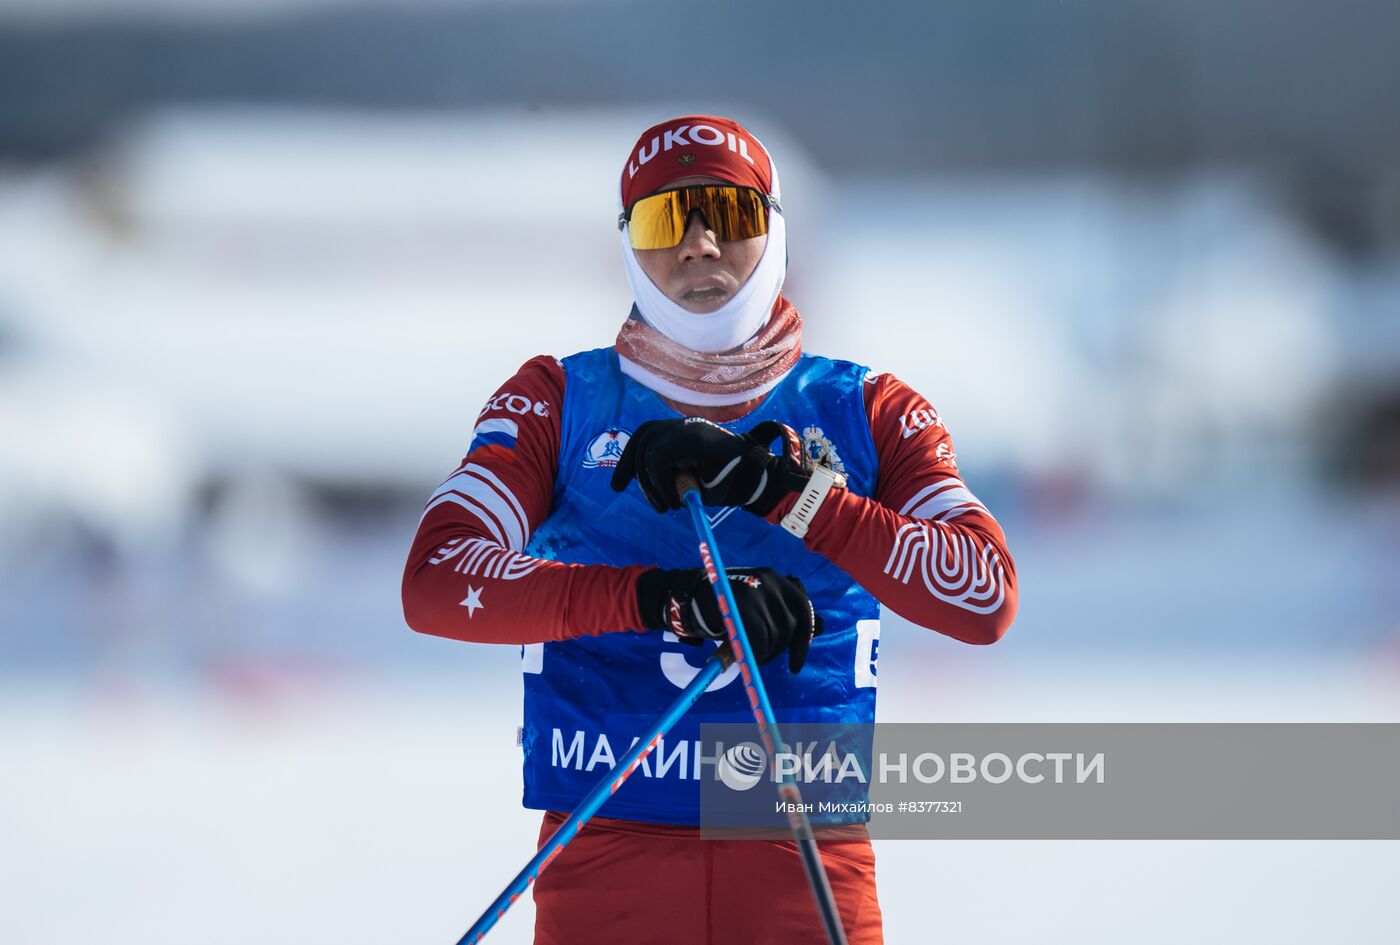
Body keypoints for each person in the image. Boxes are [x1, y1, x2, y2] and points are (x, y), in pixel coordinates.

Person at [401, 114, 1018, 944]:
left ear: (774, 232)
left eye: (727, 216)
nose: (698, 247)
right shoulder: (558, 398)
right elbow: (436, 580)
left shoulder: (867, 409)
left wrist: (790, 493)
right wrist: (657, 598)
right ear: (628, 247)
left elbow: (983, 595)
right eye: (664, 220)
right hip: (605, 843)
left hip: (803, 854)